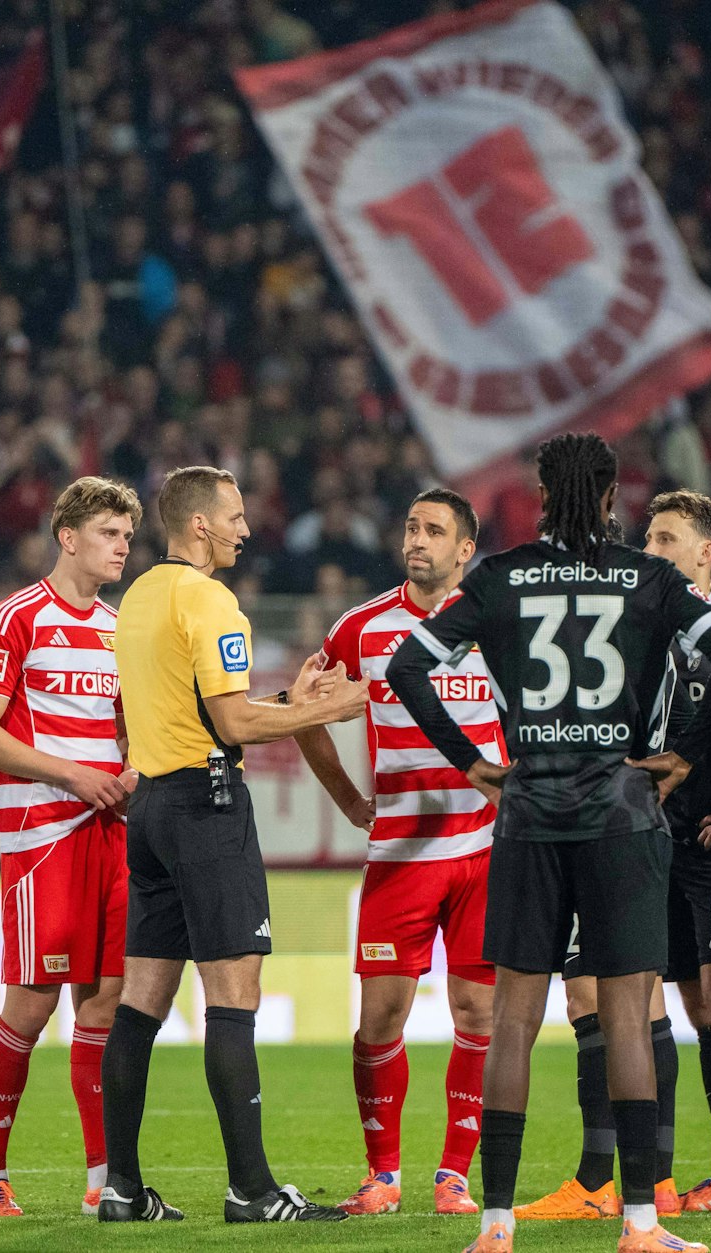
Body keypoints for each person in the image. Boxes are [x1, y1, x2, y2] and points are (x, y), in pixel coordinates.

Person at [387, 433, 711, 1253]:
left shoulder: (504, 575)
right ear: (615, 493)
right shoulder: (649, 577)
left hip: (529, 813)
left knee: (513, 1019)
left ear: (542, 493)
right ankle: (641, 1224)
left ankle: (494, 1223)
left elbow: (410, 665)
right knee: (628, 1018)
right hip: (624, 815)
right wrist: (683, 753)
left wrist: (478, 764)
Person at [521, 490, 711, 1222]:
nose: (650, 551)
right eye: (648, 539)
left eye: (666, 540)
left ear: (704, 552)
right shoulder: (645, 626)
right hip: (657, 839)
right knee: (690, 1008)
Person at [98, 464, 368, 1223]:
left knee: (140, 1005)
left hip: (150, 807)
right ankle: (251, 1188)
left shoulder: (141, 595)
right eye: (235, 516)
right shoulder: (211, 599)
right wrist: (336, 709)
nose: (246, 530)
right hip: (207, 809)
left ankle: (121, 1188)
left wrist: (291, 700)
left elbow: (200, 706)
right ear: (199, 526)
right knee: (234, 997)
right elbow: (234, 726)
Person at [294, 489, 503, 1218]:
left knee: (478, 1010)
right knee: (381, 1017)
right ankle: (382, 1174)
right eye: (411, 525)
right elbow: (302, 711)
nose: (417, 539)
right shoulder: (362, 627)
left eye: (434, 530)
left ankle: (454, 1175)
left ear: (464, 549)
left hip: (484, 850)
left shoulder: (494, 619)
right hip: (401, 854)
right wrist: (352, 801)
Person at [0, 476, 142, 1218]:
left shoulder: (117, 627)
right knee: (30, 1008)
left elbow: (131, 730)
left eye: (128, 536)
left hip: (110, 834)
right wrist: (72, 773)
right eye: (109, 533)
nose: (123, 547)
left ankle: (103, 1178)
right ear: (68, 537)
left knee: (103, 1010)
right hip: (43, 839)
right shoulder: (15, 617)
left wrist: (131, 769)